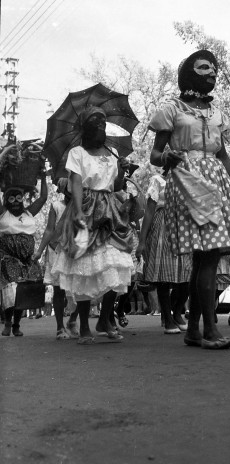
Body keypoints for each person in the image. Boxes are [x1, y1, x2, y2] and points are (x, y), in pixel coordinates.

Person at [149, 49, 230, 349]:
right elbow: (154, 155)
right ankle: (209, 330)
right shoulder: (172, 109)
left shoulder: (217, 114)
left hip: (217, 181)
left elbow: (223, 155)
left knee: (206, 258)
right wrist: (167, 156)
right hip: (187, 181)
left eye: (214, 69)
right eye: (204, 67)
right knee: (207, 257)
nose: (212, 72)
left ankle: (195, 330)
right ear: (189, 73)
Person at [50, 106, 134, 344]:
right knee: (84, 269)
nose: (101, 128)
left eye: (103, 124)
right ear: (86, 129)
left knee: (115, 264)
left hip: (109, 211)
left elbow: (116, 186)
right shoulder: (77, 153)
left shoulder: (112, 152)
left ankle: (104, 319)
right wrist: (76, 211)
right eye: (95, 124)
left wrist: (122, 171)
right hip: (85, 208)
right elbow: (76, 182)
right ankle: (85, 326)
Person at [135, 169, 190, 334]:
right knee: (163, 277)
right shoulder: (157, 181)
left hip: (184, 227)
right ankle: (167, 317)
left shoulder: (187, 179)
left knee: (187, 274)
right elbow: (150, 211)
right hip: (162, 227)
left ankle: (177, 311)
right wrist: (142, 241)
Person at [0, 177, 48, 337]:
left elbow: (43, 198)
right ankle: (7, 322)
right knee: (11, 291)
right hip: (8, 258)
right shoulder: (3, 213)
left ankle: (16, 324)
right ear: (6, 200)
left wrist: (42, 177)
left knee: (23, 291)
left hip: (27, 260)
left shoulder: (29, 212)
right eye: (11, 199)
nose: (15, 202)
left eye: (18, 198)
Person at [33, 178, 79, 339]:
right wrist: (39, 251)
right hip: (57, 250)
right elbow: (49, 230)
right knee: (59, 290)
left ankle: (72, 321)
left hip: (77, 251)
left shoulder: (83, 206)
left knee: (82, 289)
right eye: (68, 189)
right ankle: (60, 327)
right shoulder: (56, 206)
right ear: (63, 190)